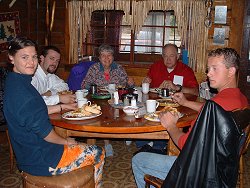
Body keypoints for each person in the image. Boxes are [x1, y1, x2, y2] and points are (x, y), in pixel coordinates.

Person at [132, 47, 248, 188]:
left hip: (198, 172)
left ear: (231, 71)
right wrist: (186, 102)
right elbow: (214, 110)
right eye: (208, 68)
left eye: (214, 68)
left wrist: (171, 126)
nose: (208, 74)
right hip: (222, 168)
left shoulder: (215, 106)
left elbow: (185, 144)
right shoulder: (241, 100)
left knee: (138, 159)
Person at [3, 37, 105, 188]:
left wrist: (62, 107)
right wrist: (66, 141)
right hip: (42, 159)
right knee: (97, 151)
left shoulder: (15, 82)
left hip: (28, 153)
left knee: (80, 146)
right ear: (11, 58)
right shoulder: (23, 94)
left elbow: (34, 112)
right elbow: (46, 134)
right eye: (24, 57)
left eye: (34, 57)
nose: (31, 62)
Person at [81, 44, 134, 157]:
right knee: (105, 115)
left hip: (117, 99)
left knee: (125, 108)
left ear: (113, 57)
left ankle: (127, 134)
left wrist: (130, 82)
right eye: (103, 56)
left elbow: (128, 86)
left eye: (109, 55)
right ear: (99, 58)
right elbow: (84, 85)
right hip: (100, 100)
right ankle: (107, 143)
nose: (106, 58)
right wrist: (90, 86)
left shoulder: (118, 68)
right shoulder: (94, 68)